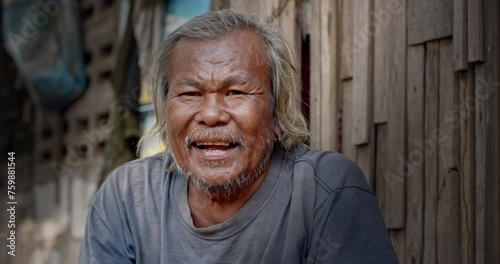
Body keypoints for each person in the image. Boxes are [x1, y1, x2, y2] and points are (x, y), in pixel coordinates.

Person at [78, 10, 397, 264]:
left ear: (276, 110)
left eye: (235, 92)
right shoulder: (127, 198)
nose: (211, 114)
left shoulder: (325, 191)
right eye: (190, 93)